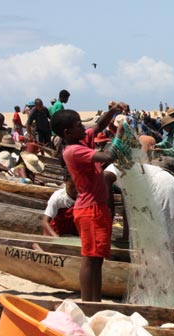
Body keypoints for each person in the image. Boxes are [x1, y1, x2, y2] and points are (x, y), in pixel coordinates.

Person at [51, 109, 119, 302]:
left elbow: (99, 125)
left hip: (96, 207)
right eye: (78, 125)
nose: (83, 127)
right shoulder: (73, 151)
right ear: (67, 133)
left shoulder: (80, 141)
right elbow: (108, 158)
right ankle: (89, 302)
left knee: (97, 260)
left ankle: (94, 302)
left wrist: (113, 111)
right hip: (90, 210)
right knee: (90, 258)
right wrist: (120, 136)